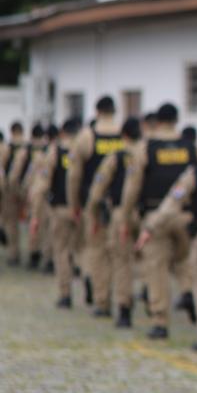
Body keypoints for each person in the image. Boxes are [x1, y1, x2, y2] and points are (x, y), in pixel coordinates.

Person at [140, 134, 197, 352]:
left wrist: (149, 226)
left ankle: (163, 322)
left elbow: (171, 199)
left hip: (183, 224)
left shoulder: (151, 150)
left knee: (162, 269)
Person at [121, 102, 197, 339]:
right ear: (176, 120)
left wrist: (126, 216)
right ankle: (188, 292)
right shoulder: (189, 147)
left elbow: (132, 186)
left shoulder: (146, 147)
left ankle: (160, 321)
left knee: (156, 268)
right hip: (185, 215)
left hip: (155, 215)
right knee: (184, 262)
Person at [67, 96, 125, 315]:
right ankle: (124, 302)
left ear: (97, 111)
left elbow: (74, 175)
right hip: (120, 204)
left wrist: (75, 204)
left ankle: (102, 300)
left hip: (95, 205)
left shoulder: (87, 136)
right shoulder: (125, 134)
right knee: (120, 256)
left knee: (98, 252)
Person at [85, 117, 142, 328]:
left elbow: (97, 190)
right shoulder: (148, 153)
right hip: (148, 215)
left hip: (121, 214)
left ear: (124, 135)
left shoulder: (116, 157)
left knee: (121, 262)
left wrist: (92, 215)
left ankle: (123, 308)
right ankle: (156, 310)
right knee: (153, 263)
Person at [28, 119, 81, 307]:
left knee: (62, 251)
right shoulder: (84, 151)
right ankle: (93, 285)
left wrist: (35, 214)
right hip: (83, 211)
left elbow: (41, 185)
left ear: (63, 133)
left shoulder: (56, 151)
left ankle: (65, 294)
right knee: (87, 251)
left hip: (60, 209)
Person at [9, 124, 48, 269]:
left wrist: (17, 190)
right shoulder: (49, 149)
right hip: (49, 194)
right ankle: (48, 256)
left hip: (32, 191)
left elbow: (17, 173)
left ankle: (31, 253)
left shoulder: (26, 150)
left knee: (32, 221)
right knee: (46, 225)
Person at [0, 122, 25, 262]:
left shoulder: (7, 148)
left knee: (11, 222)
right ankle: (38, 252)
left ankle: (14, 253)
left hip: (11, 189)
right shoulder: (30, 146)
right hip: (30, 190)